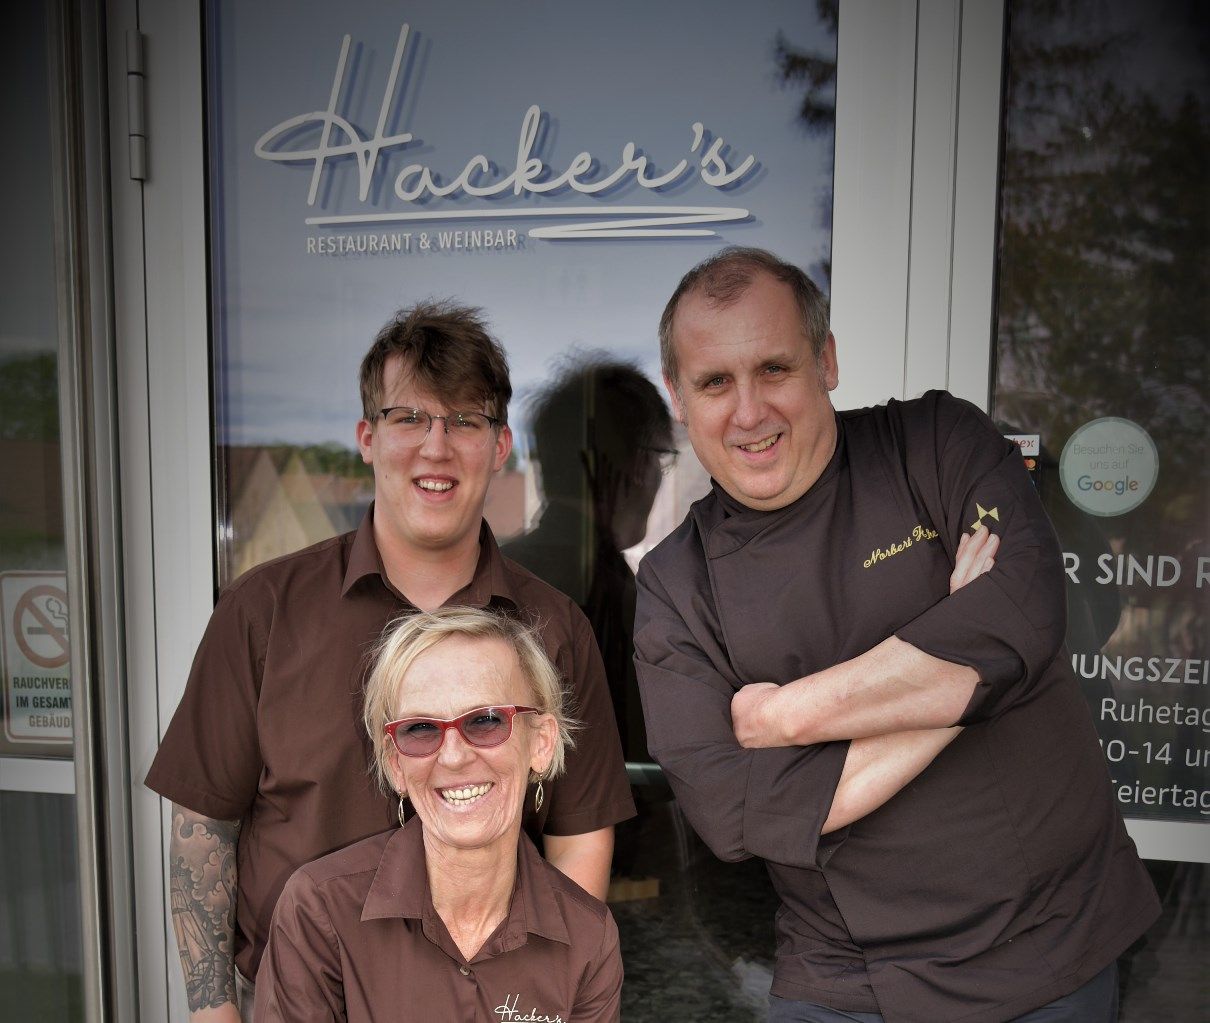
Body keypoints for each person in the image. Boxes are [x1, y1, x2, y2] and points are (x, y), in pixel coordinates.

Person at [633, 247, 1159, 1022]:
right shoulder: (678, 586)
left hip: (1053, 947)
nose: (749, 411)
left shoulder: (938, 445)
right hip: (849, 981)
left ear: (827, 360)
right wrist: (964, 670)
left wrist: (786, 716)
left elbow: (1025, 612)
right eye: (715, 381)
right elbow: (735, 811)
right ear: (679, 396)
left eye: (774, 368)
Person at [146, 301, 633, 1021]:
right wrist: (213, 1013)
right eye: (410, 419)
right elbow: (202, 830)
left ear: (500, 447)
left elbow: (579, 832)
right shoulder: (263, 610)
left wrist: (548, 994)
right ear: (367, 438)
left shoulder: (555, 628)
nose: (436, 448)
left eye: (465, 420)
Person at [255, 607, 623, 1022]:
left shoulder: (589, 935)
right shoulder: (319, 909)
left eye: (486, 721)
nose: (452, 757)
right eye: (421, 729)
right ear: (395, 764)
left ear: (540, 742)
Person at [504, 352, 676, 759]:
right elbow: (640, 766)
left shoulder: (493, 570)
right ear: (637, 465)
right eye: (660, 460)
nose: (656, 478)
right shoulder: (616, 593)